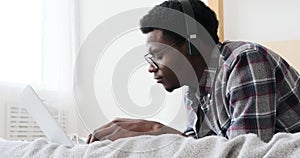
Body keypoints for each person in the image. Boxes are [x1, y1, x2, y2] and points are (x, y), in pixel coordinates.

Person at [87, 0, 300, 143]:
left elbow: (247, 150)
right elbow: (199, 146)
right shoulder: (194, 88)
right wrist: (147, 136)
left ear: (191, 45)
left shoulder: (244, 61)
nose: (151, 68)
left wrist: (156, 129)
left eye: (158, 55)